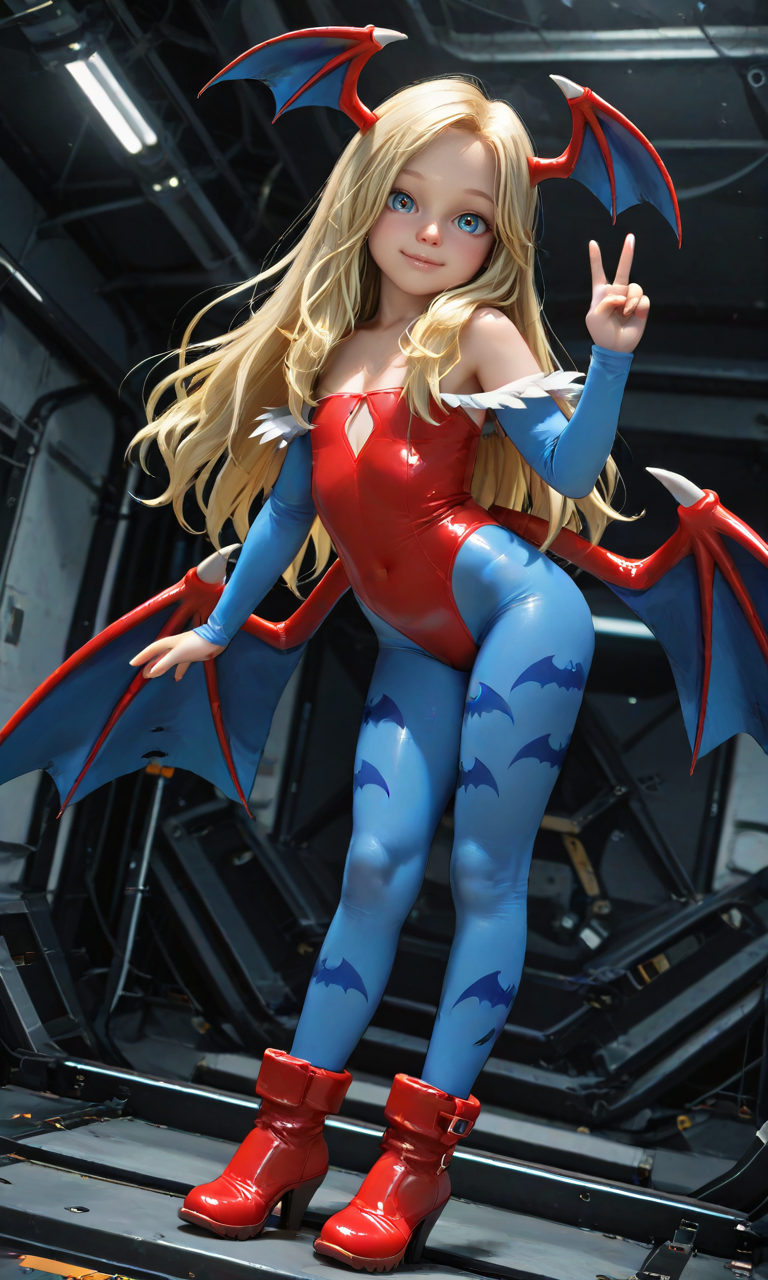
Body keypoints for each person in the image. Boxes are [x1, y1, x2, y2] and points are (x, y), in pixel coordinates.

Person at [127, 77, 646, 1268]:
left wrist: (611, 359)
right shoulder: (327, 353)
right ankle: (285, 1139)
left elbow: (567, 471)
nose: (429, 233)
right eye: (408, 200)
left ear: (498, 239)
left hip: (523, 616)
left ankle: (415, 1162)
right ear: (365, 196)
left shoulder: (476, 333)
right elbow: (284, 517)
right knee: (372, 863)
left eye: (468, 218)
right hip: (414, 640)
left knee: (483, 870)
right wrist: (223, 627)